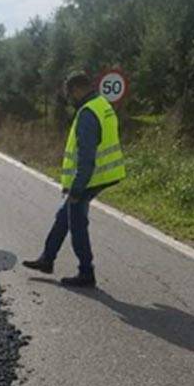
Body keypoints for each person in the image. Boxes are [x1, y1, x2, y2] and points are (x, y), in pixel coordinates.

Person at [22, 71, 126, 287]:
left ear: (78, 89)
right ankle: (47, 259)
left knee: (76, 222)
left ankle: (86, 272)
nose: (70, 98)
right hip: (102, 174)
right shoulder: (102, 104)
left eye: (70, 93)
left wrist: (76, 189)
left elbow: (86, 157)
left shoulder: (87, 114)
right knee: (63, 215)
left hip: (92, 177)